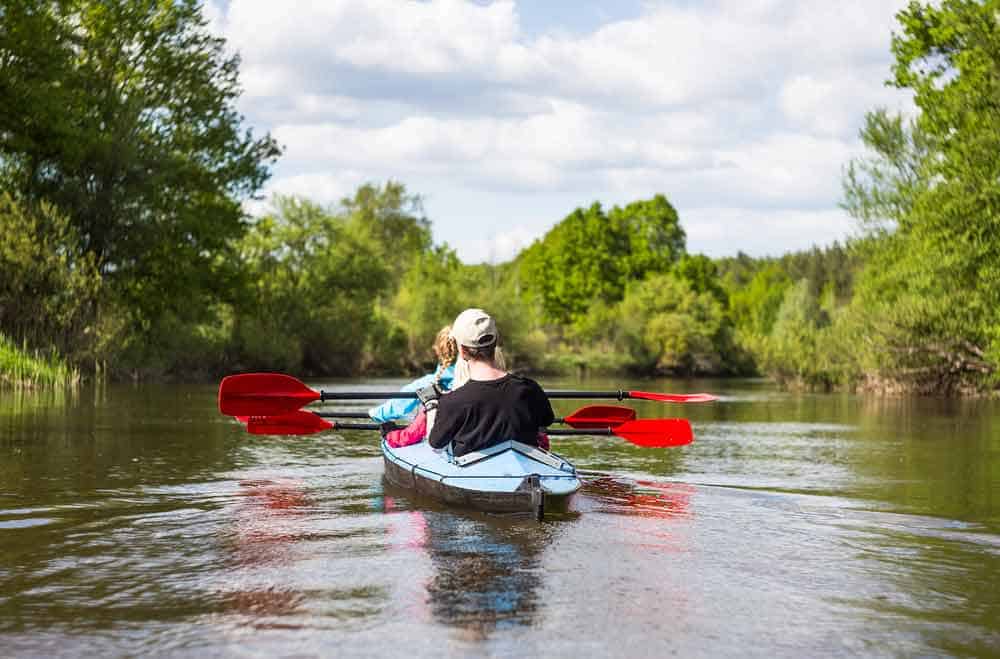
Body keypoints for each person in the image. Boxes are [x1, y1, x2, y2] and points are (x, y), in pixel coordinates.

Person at [427, 308, 554, 457]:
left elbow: (435, 444)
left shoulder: (452, 402)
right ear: (496, 342)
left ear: (462, 351)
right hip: (529, 468)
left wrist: (431, 405)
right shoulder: (530, 388)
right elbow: (547, 420)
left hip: (472, 473)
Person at [370, 326, 457, 448]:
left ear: (439, 350)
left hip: (441, 440)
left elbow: (398, 405)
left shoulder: (429, 383)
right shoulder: (478, 378)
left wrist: (375, 414)